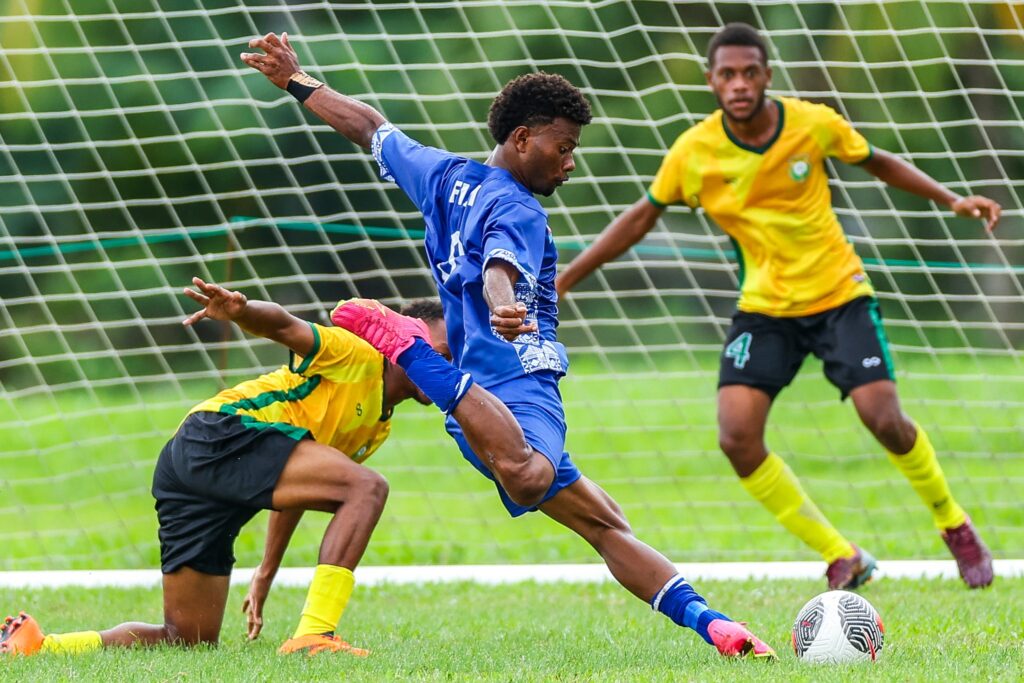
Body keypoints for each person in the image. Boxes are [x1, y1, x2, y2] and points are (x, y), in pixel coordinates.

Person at [238, 31, 776, 659]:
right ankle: (411, 349)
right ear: (522, 139)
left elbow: (372, 130)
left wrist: (301, 84)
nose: (570, 162)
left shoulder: (443, 175)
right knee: (528, 476)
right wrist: (502, 306)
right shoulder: (520, 210)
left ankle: (717, 628)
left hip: (474, 411)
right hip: (517, 392)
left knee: (603, 522)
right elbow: (500, 267)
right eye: (564, 147)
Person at [555, 22, 1000, 590]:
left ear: (766, 76)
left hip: (839, 294)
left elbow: (878, 160)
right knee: (736, 437)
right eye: (726, 75)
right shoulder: (695, 151)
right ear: (713, 83)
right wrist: (567, 278)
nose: (739, 84)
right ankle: (842, 554)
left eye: (749, 73)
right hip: (765, 309)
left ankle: (953, 525)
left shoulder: (811, 124)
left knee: (883, 418)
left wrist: (952, 198)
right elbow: (641, 217)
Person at [0, 278, 447, 657]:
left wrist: (266, 571)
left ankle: (39, 646)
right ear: (400, 344)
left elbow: (304, 482)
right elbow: (287, 327)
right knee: (368, 488)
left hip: (187, 469)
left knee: (187, 638)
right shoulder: (356, 354)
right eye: (440, 353)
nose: (446, 366)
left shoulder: (377, 427)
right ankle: (316, 635)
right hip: (220, 433)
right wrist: (241, 310)